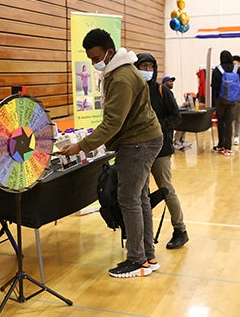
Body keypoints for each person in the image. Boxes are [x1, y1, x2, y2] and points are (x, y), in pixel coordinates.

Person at [59, 28, 163, 278]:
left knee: (128, 199)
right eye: (91, 60)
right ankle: (147, 256)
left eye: (96, 58)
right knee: (140, 198)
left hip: (138, 143)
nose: (95, 63)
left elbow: (112, 123)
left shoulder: (121, 77)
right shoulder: (121, 71)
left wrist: (80, 145)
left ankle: (137, 260)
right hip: (143, 140)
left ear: (109, 51)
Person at [135, 53, 189, 250]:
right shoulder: (132, 90)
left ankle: (180, 230)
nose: (147, 70)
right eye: (143, 66)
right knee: (139, 193)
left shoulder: (162, 90)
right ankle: (139, 235)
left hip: (161, 149)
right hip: (137, 150)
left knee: (166, 187)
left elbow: (176, 117)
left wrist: (157, 126)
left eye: (150, 66)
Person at [211, 50, 240, 156]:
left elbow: (214, 86)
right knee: (229, 123)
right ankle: (228, 148)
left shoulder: (217, 69)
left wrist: (214, 101)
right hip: (233, 100)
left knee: (221, 122)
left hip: (220, 100)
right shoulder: (237, 69)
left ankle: (220, 145)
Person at [162, 76, 191, 150]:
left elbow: (173, 106)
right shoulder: (163, 93)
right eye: (170, 81)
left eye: (172, 81)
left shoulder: (170, 92)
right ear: (164, 83)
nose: (172, 83)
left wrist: (182, 105)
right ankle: (176, 141)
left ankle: (181, 140)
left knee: (184, 121)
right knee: (180, 123)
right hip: (166, 118)